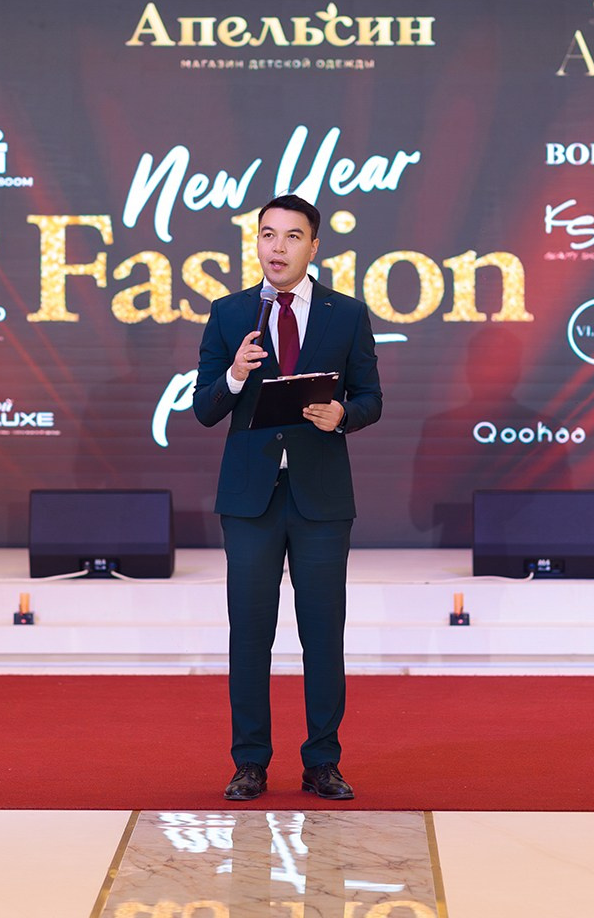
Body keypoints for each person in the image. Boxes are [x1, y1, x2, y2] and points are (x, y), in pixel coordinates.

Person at [193, 193, 383, 801]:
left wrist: (342, 415)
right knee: (250, 633)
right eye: (268, 235)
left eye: (292, 236)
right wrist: (234, 375)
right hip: (250, 501)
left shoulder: (345, 314)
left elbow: (371, 398)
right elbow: (203, 409)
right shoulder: (229, 313)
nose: (277, 247)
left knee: (322, 633)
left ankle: (322, 761)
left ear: (313, 246)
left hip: (320, 499)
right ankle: (249, 762)